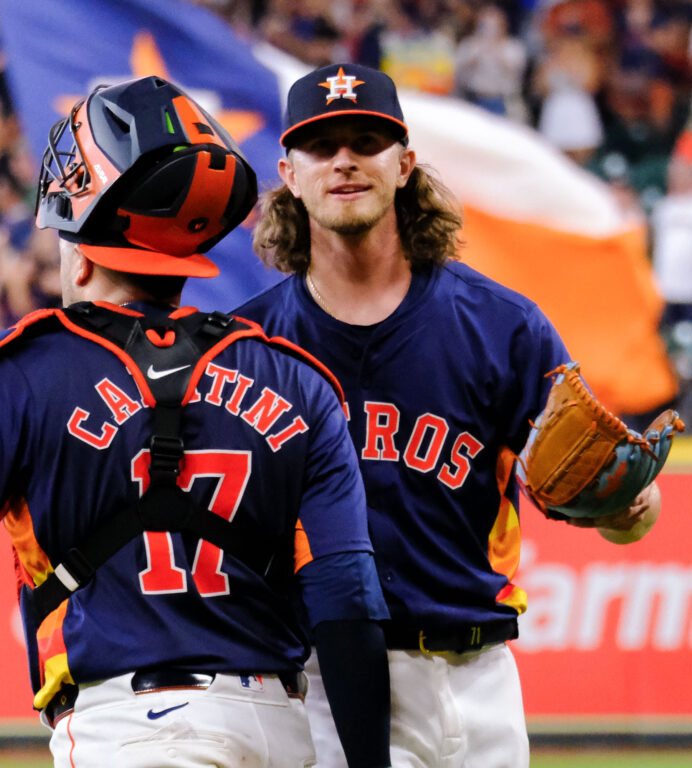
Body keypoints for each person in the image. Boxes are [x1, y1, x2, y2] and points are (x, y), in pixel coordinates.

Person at [0, 78, 392, 768]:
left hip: (131, 731)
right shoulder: (298, 379)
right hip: (281, 729)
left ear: (78, 242)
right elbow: (348, 602)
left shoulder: (21, 374)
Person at [236, 62, 670, 767]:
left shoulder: (503, 327)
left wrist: (626, 510)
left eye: (367, 140)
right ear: (287, 169)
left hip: (482, 681)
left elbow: (629, 516)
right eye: (321, 145)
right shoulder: (249, 352)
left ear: (404, 164)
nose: (345, 160)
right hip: (324, 685)